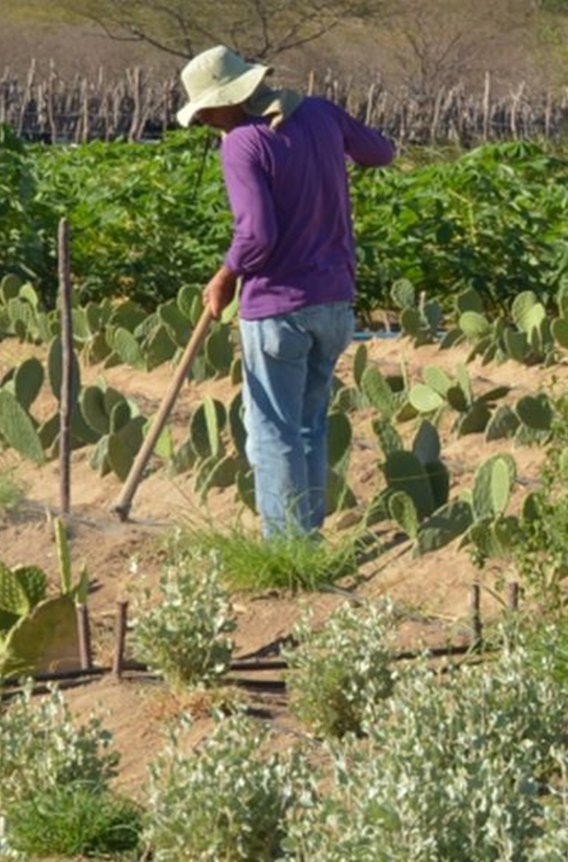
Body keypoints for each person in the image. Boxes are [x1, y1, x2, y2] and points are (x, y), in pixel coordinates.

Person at [177, 45, 395, 538]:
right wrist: (323, 136)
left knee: (273, 432)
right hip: (335, 304)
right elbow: (381, 151)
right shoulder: (319, 112)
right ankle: (308, 538)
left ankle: (286, 548)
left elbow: (257, 235)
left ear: (231, 99)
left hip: (278, 308)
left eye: (208, 110)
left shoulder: (241, 143)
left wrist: (225, 275)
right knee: (309, 425)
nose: (208, 121)